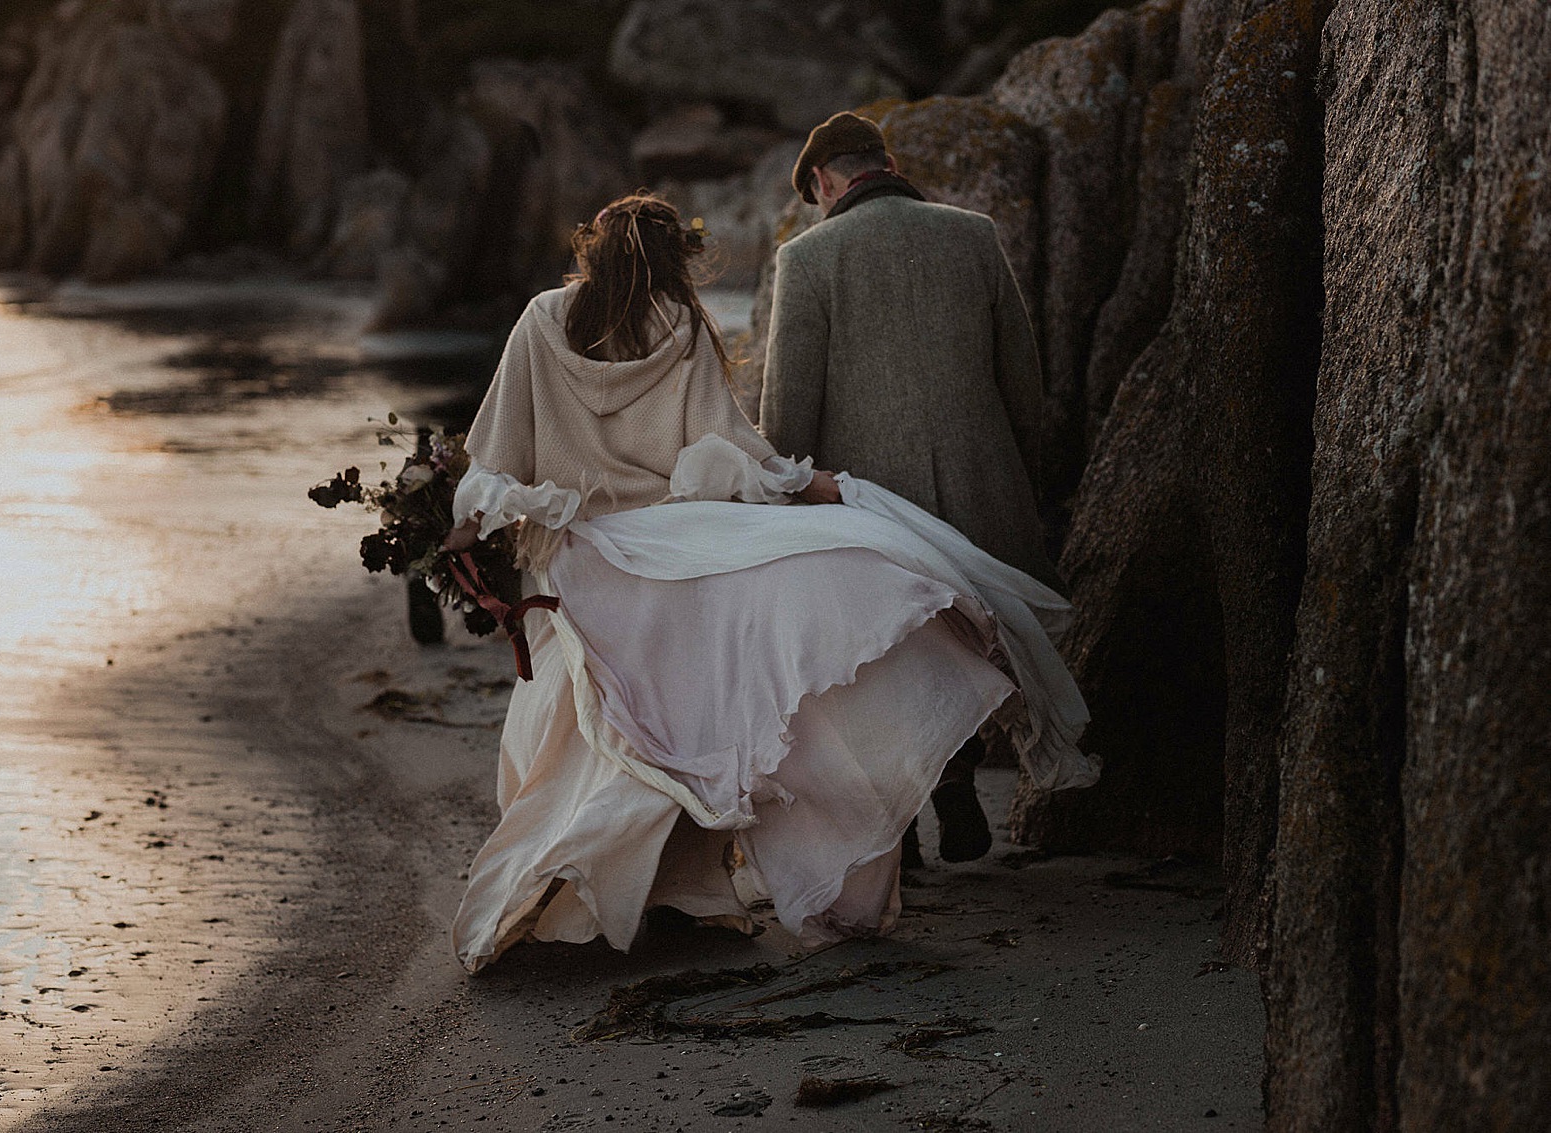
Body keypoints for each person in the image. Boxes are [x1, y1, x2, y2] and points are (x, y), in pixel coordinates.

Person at [443, 192, 1094, 973]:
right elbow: (726, 450)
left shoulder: (541, 320)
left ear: (593, 250)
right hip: (680, 546)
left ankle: (593, 891)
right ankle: (688, 892)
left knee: (600, 732)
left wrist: (457, 531)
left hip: (585, 560)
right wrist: (812, 484)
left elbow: (495, 460)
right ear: (672, 259)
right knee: (688, 716)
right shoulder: (679, 325)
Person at [759, 111, 1058, 867]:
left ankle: (906, 838)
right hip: (982, 493)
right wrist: (1036, 489)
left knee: (883, 666)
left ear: (823, 182)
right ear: (884, 163)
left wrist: (780, 497)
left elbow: (787, 415)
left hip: (872, 508)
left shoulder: (809, 257)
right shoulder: (974, 234)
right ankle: (954, 781)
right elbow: (1025, 387)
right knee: (963, 649)